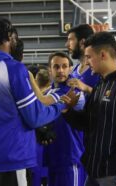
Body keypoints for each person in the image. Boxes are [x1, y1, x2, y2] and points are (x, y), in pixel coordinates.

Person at [0, 16, 67, 186]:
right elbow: (34, 117)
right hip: (12, 157)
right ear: (9, 37)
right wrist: (61, 104)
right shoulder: (13, 69)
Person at [63, 32, 116, 186]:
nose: (87, 62)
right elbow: (87, 124)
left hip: (115, 176)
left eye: (89, 57)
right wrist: (68, 111)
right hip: (95, 173)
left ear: (102, 55)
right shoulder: (101, 84)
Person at [30, 52, 86, 186]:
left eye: (64, 66)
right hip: (53, 158)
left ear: (70, 69)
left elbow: (42, 102)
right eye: (56, 67)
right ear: (50, 70)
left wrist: (30, 78)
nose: (61, 70)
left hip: (70, 158)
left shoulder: (72, 90)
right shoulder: (50, 91)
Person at [65, 24, 99, 90]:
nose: (66, 44)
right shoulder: (73, 70)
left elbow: (107, 96)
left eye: (70, 40)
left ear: (82, 42)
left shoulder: (98, 70)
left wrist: (86, 88)